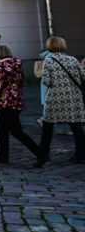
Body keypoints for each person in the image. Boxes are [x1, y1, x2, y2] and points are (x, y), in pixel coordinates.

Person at [0, 44, 42, 164]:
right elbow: (22, 82)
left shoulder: (0, 68)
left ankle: (39, 154)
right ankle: (3, 154)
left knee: (15, 131)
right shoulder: (17, 65)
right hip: (16, 100)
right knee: (4, 128)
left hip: (6, 102)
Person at [37, 36, 85, 166]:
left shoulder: (49, 61)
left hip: (55, 99)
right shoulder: (73, 59)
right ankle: (81, 154)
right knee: (76, 127)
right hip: (73, 98)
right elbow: (83, 77)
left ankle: (43, 154)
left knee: (48, 127)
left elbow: (46, 81)